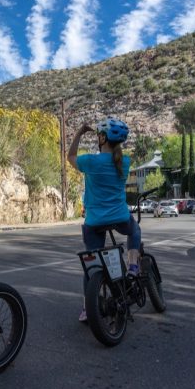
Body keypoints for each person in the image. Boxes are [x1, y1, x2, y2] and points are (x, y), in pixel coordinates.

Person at [67, 116, 141, 322]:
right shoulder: (125, 162)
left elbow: (70, 156)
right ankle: (133, 266)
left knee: (91, 266)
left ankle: (86, 308)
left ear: (102, 138)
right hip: (120, 218)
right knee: (135, 231)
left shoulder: (90, 161)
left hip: (94, 222)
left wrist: (80, 132)